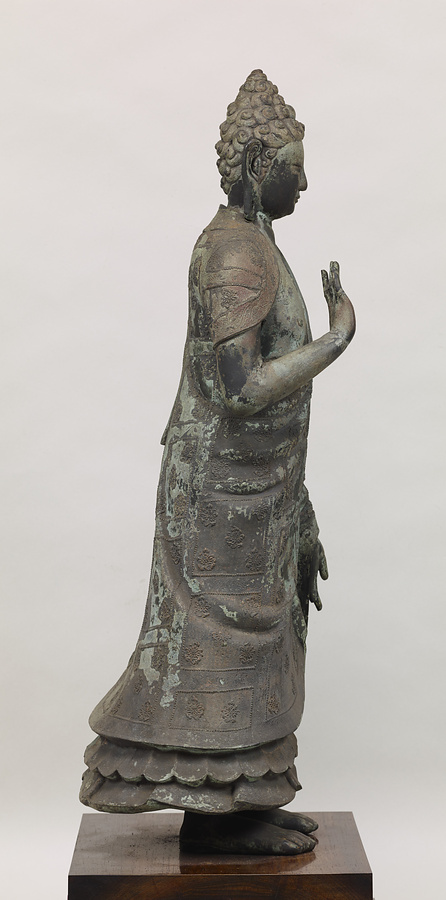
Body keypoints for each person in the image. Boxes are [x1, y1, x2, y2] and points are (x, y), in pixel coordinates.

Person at [80, 69, 355, 855]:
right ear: (256, 167)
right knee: (223, 645)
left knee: (261, 642)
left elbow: (269, 403)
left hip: (259, 491)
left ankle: (243, 802)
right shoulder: (234, 251)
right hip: (218, 496)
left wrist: (301, 514)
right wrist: (334, 340)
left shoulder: (256, 243)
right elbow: (240, 389)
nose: (304, 184)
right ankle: (212, 822)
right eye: (293, 168)